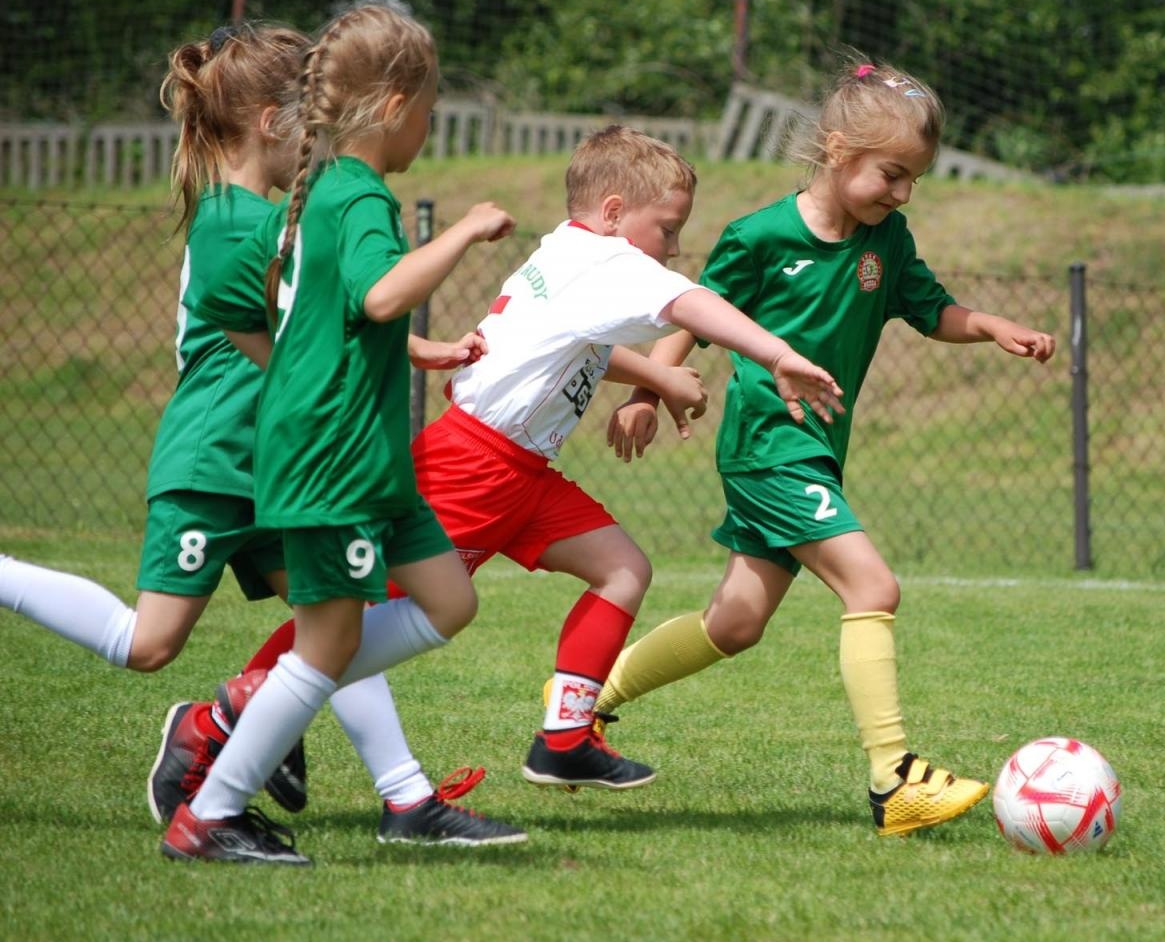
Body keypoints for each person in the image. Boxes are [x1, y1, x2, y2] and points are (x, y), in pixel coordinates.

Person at [165, 124, 845, 806]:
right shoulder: (608, 263)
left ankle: (564, 739)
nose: (672, 247)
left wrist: (662, 381)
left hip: (520, 472)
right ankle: (218, 722)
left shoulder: (570, 251)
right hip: (473, 467)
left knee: (623, 568)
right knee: (355, 617)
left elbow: (575, 345)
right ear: (613, 212)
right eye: (667, 229)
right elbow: (695, 304)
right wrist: (777, 353)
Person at [0, 22, 510, 846]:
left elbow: (313, 322)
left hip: (277, 455)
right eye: (306, 117)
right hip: (223, 458)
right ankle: (227, 737)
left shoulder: (282, 215)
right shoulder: (238, 222)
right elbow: (289, 329)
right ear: (275, 123)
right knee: (150, 641)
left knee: (333, 620)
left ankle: (405, 793)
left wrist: (415, 349)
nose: (319, 133)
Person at [595, 59, 1058, 836]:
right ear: (837, 150)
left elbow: (930, 307)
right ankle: (894, 779)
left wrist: (989, 327)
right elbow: (693, 315)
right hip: (770, 446)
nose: (902, 193)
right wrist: (650, 391)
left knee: (733, 624)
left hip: (810, 452)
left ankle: (582, 706)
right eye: (892, 174)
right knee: (872, 587)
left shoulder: (889, 239)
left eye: (913, 180)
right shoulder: (761, 236)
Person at [159, 5, 518, 866]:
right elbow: (379, 296)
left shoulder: (337, 191)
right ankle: (211, 811)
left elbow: (330, 318)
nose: (429, 128)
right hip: (329, 454)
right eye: (430, 110)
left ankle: (270, 694)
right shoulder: (357, 196)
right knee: (332, 643)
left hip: (362, 450)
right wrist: (466, 230)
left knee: (448, 601)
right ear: (394, 105)